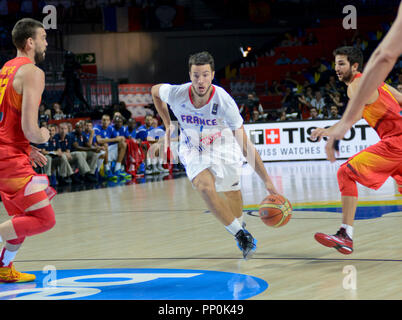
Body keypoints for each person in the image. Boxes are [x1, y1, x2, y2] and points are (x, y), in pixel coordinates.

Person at [151, 51, 280, 259]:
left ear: (212, 75)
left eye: (204, 75)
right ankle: (240, 234)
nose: (200, 80)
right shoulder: (176, 93)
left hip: (222, 144)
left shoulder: (224, 102)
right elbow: (155, 91)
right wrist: (167, 124)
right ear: (189, 75)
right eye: (195, 75)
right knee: (204, 186)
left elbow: (246, 145)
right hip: (192, 145)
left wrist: (267, 181)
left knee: (232, 192)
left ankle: (239, 223)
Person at [311, 45, 402, 254]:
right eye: (335, 64)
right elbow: (400, 99)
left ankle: (345, 235)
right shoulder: (379, 83)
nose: (336, 68)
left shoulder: (356, 85)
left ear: (355, 65)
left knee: (345, 172)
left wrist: (328, 132)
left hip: (396, 142)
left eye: (341, 64)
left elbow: (352, 118)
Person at [0, 18, 57, 282]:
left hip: (9, 152)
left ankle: (4, 267)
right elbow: (31, 127)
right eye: (43, 37)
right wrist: (42, 136)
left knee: (22, 218)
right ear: (30, 42)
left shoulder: (6, 69)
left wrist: (27, 147)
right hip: (9, 159)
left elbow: (8, 122)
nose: (47, 42)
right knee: (45, 219)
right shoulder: (33, 72)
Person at [94, 114, 131, 181]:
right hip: (97, 150)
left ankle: (118, 169)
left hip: (107, 151)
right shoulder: (97, 127)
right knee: (105, 145)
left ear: (109, 122)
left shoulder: (110, 128)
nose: (105, 122)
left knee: (123, 144)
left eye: (107, 120)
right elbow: (99, 140)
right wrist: (114, 139)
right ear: (101, 121)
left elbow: (118, 138)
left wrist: (121, 138)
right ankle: (107, 169)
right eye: (104, 120)